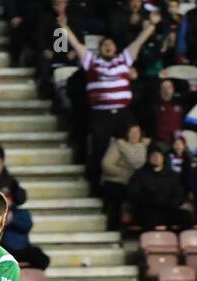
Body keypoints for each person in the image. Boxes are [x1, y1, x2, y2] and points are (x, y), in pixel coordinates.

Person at [59, 11, 159, 183]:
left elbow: (139, 41)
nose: (108, 46)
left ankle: (129, 181)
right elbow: (76, 44)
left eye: (110, 44)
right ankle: (97, 184)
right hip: (101, 115)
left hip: (122, 114)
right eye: (104, 45)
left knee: (130, 146)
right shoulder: (92, 61)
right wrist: (64, 27)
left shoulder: (123, 59)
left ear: (115, 48)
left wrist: (152, 24)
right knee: (100, 150)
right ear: (100, 49)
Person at [126, 146, 191, 231]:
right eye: (153, 156)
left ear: (163, 158)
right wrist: (152, 202)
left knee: (186, 216)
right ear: (148, 158)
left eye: (159, 156)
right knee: (148, 217)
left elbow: (179, 195)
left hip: (168, 209)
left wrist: (169, 204)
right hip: (147, 210)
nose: (156, 158)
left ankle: (182, 242)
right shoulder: (139, 175)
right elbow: (134, 194)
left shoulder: (172, 175)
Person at [100, 123, 149, 231]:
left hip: (138, 182)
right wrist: (125, 173)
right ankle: (114, 228)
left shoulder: (145, 146)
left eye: (137, 132)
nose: (135, 135)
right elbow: (106, 164)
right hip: (117, 180)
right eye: (132, 132)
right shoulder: (118, 145)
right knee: (116, 197)